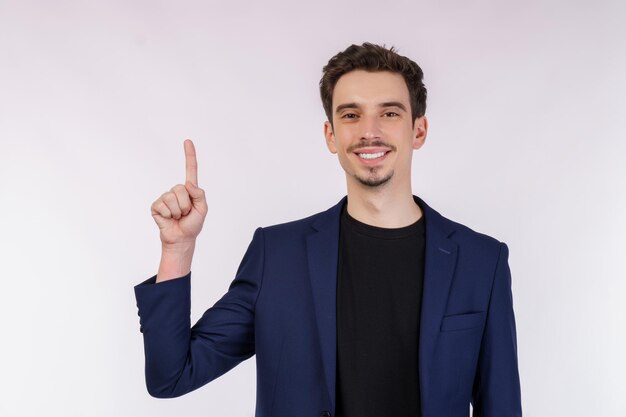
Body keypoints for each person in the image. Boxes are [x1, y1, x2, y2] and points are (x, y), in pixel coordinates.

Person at [134, 43, 522, 417]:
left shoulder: (481, 262)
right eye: (351, 115)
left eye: (389, 113)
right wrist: (177, 251)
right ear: (331, 135)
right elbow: (172, 375)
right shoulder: (278, 255)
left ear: (418, 130)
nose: (369, 131)